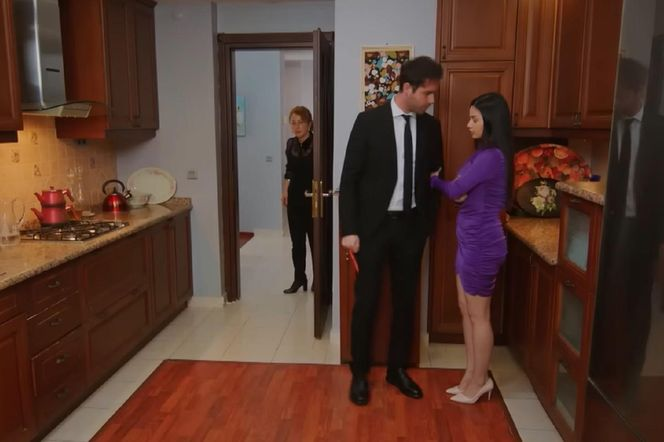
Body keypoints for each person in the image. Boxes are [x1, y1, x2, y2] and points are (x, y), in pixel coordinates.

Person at [339, 56, 443, 406]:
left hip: (411, 229)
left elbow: (435, 177)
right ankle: (359, 373)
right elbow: (349, 179)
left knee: (405, 303)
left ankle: (397, 370)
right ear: (408, 88)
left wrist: (426, 225)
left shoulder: (431, 128)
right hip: (373, 230)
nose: (431, 100)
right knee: (366, 303)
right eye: (427, 93)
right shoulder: (369, 122)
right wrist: (350, 229)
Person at [429, 92, 513, 404]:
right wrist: (455, 189)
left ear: (490, 122)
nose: (468, 124)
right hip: (469, 241)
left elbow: (455, 190)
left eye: (474, 119)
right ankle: (469, 376)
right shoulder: (482, 155)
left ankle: (480, 381)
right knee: (466, 310)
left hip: (482, 244)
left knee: (479, 316)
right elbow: (463, 193)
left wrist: (434, 181)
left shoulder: (491, 157)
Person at [591, 57, 664, 410]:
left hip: (643, 230)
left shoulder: (658, 131)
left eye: (618, 92)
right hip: (609, 224)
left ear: (637, 91)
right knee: (603, 297)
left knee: (636, 304)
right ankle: (599, 369)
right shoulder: (611, 127)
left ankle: (631, 377)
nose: (613, 99)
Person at [281, 106, 314, 294]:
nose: (297, 126)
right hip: (294, 199)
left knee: (315, 242)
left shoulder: (317, 142)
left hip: (313, 199)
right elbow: (289, 170)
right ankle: (299, 278)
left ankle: (320, 279)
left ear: (309, 124)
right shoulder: (290, 144)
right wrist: (284, 190)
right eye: (293, 123)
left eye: (300, 122)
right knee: (297, 243)